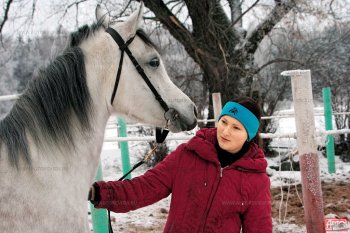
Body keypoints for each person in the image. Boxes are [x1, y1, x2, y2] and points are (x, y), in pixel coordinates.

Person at [88, 96, 272, 233]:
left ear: (248, 135)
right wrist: (101, 193)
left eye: (236, 127)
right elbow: (145, 187)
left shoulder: (256, 179)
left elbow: (259, 228)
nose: (225, 131)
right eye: (224, 122)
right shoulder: (188, 154)